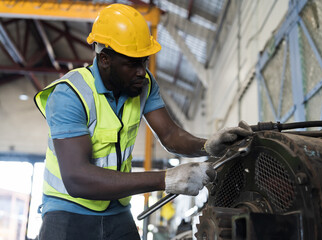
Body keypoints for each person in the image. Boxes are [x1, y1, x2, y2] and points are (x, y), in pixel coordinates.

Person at [34, 3, 252, 240]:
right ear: (105, 59)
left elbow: (169, 135)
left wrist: (208, 144)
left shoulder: (142, 85)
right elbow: (78, 178)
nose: (142, 71)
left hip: (116, 209)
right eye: (132, 63)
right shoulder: (70, 95)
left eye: (144, 61)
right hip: (68, 210)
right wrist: (166, 179)